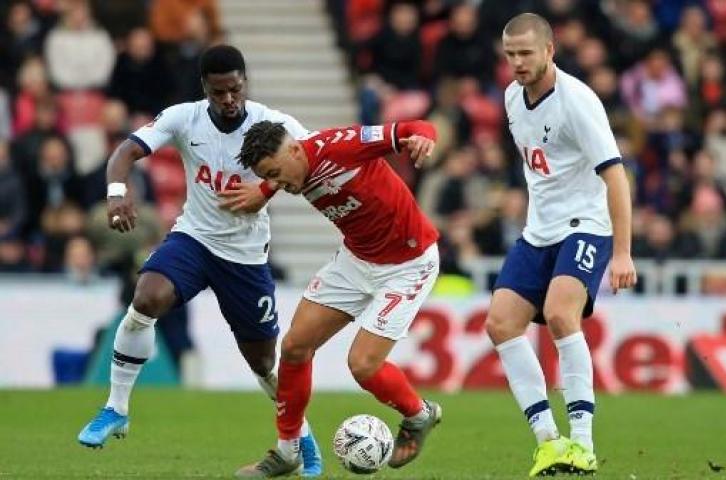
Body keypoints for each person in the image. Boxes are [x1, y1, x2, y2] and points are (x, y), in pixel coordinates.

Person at [76, 44, 322, 476]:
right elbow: (124, 153)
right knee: (146, 299)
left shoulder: (274, 124)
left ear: (245, 82)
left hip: (245, 256)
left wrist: (263, 191)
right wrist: (117, 193)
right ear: (204, 89)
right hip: (194, 238)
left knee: (264, 363)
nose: (229, 99)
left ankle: (301, 435)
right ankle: (115, 409)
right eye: (218, 92)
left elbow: (312, 157)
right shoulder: (182, 117)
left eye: (235, 89)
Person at [225, 119, 443, 477]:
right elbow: (281, 175)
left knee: (363, 365)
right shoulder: (290, 169)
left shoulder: (342, 147)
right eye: (269, 177)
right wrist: (263, 192)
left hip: (408, 263)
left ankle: (419, 415)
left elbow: (413, 127)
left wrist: (424, 138)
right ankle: (288, 451)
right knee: (294, 346)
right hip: (356, 261)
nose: (277, 183)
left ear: (295, 149)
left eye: (276, 174)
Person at [487, 13, 637, 477]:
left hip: (586, 225)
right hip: (539, 230)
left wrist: (622, 251)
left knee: (558, 314)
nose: (517, 63)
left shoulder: (577, 101)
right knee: (500, 323)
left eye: (526, 53)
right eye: (510, 54)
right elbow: (542, 167)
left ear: (550, 50)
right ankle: (549, 443)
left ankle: (584, 445)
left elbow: (615, 176)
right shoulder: (512, 97)